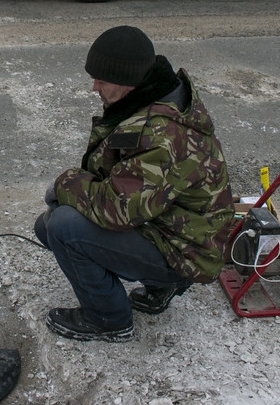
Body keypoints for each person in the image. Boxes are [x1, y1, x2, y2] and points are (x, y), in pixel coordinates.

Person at [34, 26, 235, 342]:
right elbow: (121, 175)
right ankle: (162, 285)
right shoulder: (149, 100)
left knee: (62, 227)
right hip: (174, 227)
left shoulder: (162, 136)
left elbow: (117, 209)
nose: (94, 87)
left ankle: (108, 319)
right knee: (48, 225)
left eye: (101, 79)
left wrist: (66, 185)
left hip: (189, 251)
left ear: (127, 82)